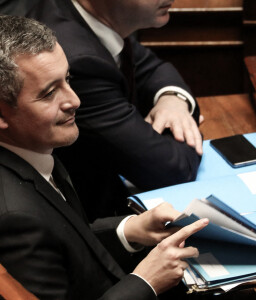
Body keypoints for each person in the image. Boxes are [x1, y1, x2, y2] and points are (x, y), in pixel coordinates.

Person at [0, 15, 209, 299]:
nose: (74, 100)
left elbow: (64, 243)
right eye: (50, 93)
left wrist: (129, 230)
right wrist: (146, 281)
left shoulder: (30, 148)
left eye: (68, 80)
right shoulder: (16, 219)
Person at [27, 0, 203, 221]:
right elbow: (173, 170)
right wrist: (184, 125)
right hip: (90, 224)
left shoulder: (82, 16)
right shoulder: (77, 59)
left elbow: (150, 67)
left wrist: (174, 100)